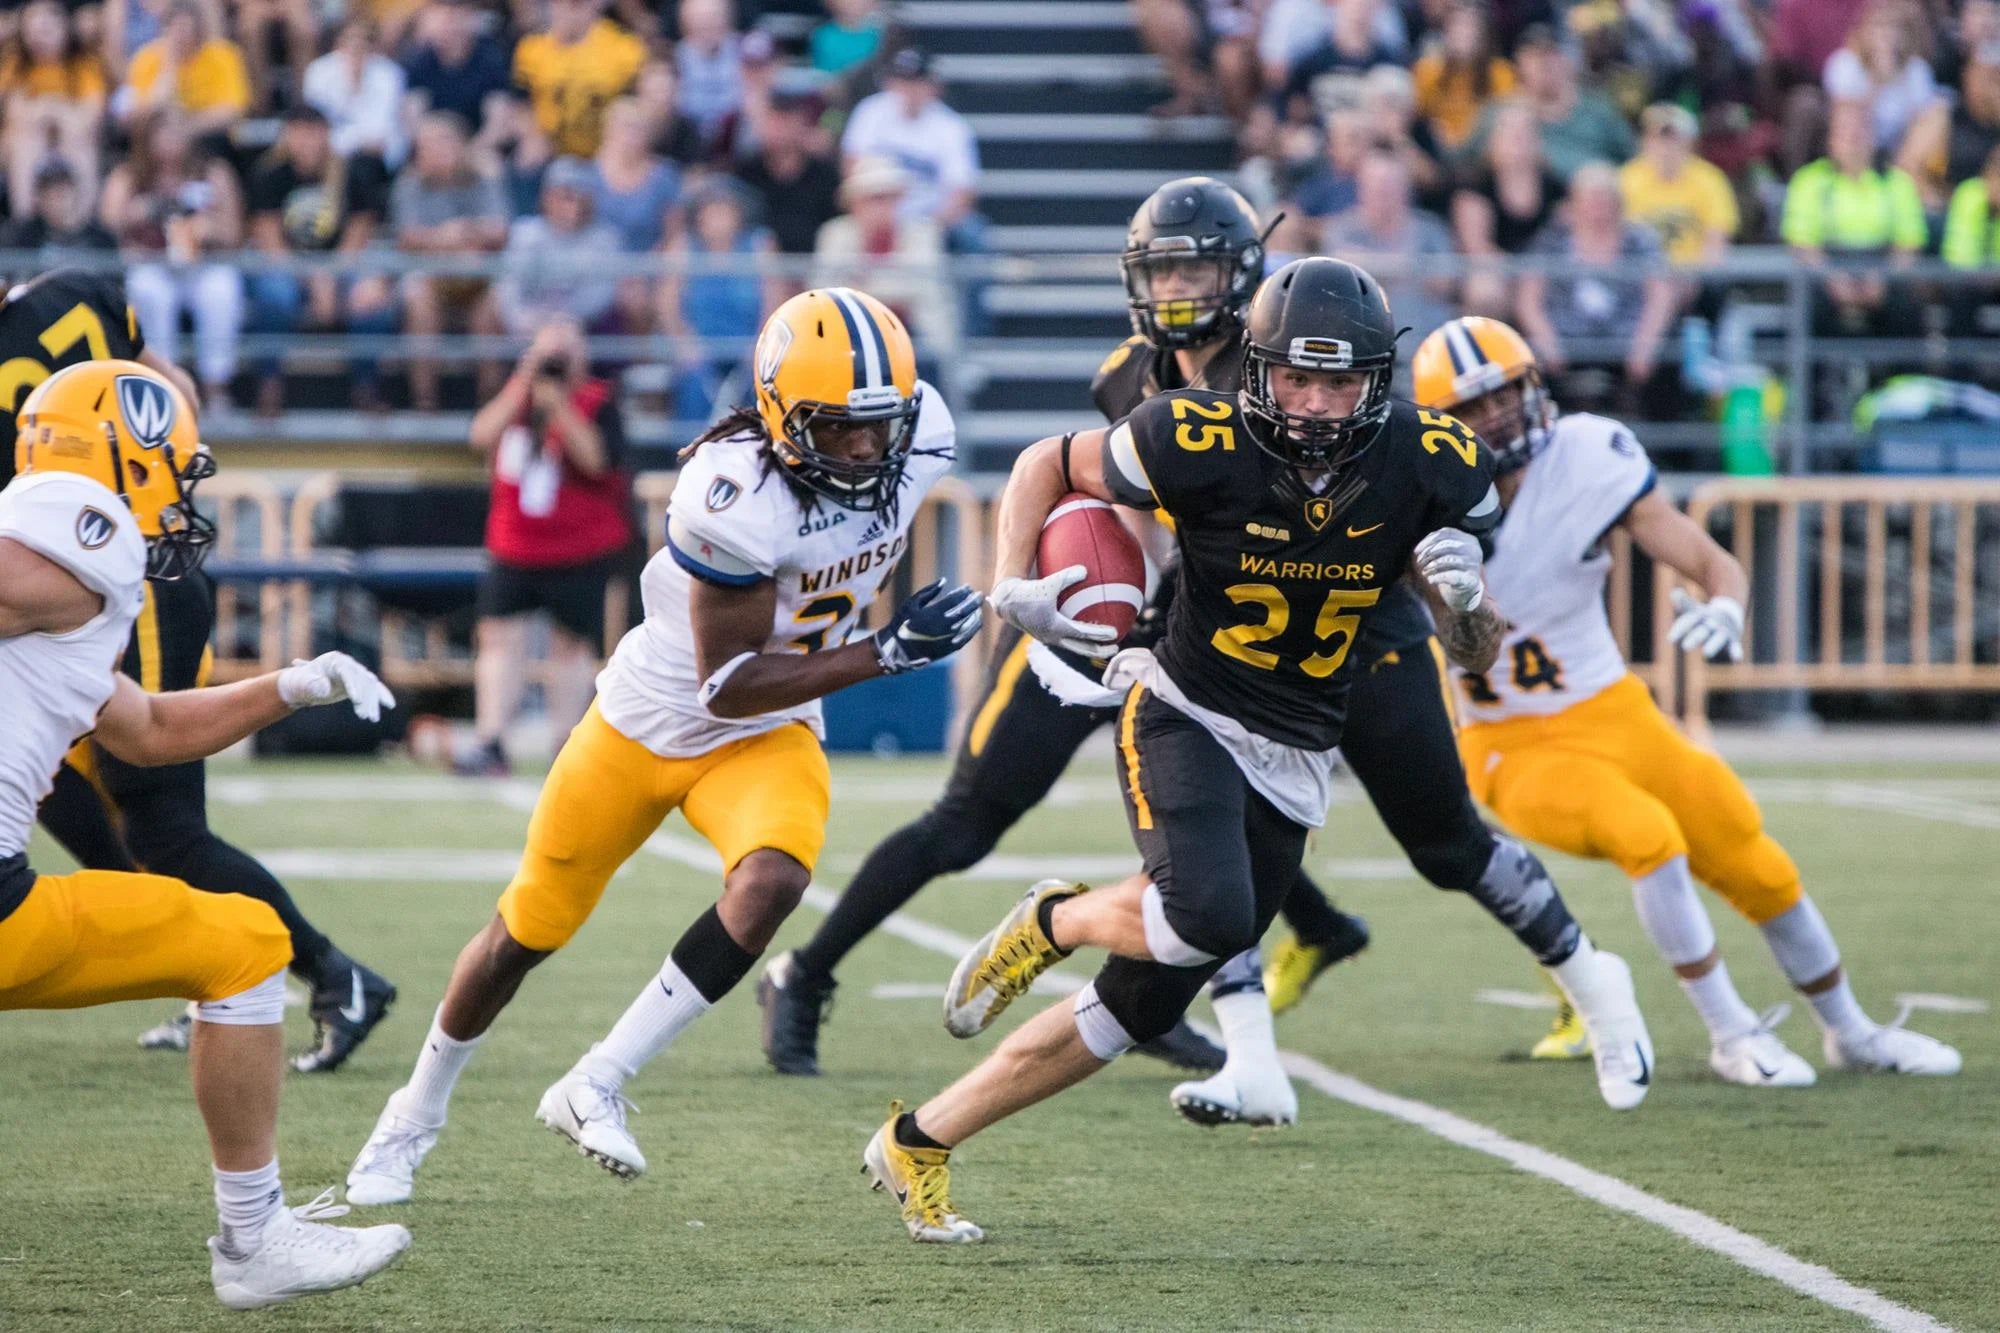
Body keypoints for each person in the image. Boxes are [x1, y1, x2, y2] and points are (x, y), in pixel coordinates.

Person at [857, 258, 1655, 1245]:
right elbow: (1044, 463)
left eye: (1339, 383)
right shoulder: (1192, 435)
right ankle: (1060, 918)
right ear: (1258, 369)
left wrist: (1460, 607)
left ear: (1377, 380)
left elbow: (1476, 651)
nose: (1316, 404)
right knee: (1211, 914)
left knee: (1134, 1011)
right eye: (1295, 379)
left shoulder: (1429, 459)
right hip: (1182, 703)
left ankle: (919, 1139)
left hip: (1299, 745)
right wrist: (1010, 582)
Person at [346, 287, 984, 1205]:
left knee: (774, 880)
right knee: (524, 931)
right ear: (781, 415)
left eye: (875, 427)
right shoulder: (734, 495)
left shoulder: (919, 435)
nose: (862, 449)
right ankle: (411, 1116)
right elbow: (725, 682)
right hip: (654, 717)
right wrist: (883, 652)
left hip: (768, 732)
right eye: (838, 429)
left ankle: (596, 1079)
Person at [1410, 315, 1962, 1087]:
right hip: (1511, 742)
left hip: (1615, 709)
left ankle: (1852, 1030)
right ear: (1440, 426)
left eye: (1506, 392)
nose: (1497, 414)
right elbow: (1471, 653)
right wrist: (1463, 601)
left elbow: (1704, 556)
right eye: (1473, 407)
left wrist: (1728, 602)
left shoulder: (1587, 454)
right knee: (1648, 836)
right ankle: (1729, 1030)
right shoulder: (1422, 500)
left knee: (1748, 850)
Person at [0, 358, 410, 1307]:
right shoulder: (80, 522)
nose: (183, 492)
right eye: (175, 465)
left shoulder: (60, 576)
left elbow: (144, 728)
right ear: (125, 451)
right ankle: (255, 1235)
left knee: (238, 938)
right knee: (247, 944)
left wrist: (290, 684)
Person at [457, 318, 632, 777]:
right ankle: (491, 739)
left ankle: (565, 746)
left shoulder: (598, 402)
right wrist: (523, 383)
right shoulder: (515, 396)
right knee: (498, 640)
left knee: (569, 647)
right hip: (514, 544)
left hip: (579, 548)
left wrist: (561, 407)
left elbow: (597, 460)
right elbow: (479, 437)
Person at [243, 107, 398, 414]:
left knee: (369, 300)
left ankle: (366, 385)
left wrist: (331, 274)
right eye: (298, 132)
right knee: (275, 295)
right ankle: (269, 383)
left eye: (313, 132)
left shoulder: (351, 173)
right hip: (286, 267)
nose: (306, 141)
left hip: (342, 264)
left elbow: (360, 232)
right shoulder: (269, 173)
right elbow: (269, 239)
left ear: (327, 134)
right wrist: (310, 278)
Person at [104, 112, 246, 408]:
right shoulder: (131, 175)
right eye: (163, 132)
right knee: (150, 292)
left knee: (221, 289)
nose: (170, 141)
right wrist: (137, 213)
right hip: (151, 263)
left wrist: (209, 228)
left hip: (201, 264)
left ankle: (216, 386)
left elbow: (235, 232)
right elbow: (106, 226)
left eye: (177, 131)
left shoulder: (212, 171)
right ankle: (163, 389)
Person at [1516, 161, 1679, 415]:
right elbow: (1529, 298)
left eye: (1606, 197)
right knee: (1526, 362)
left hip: (1626, 339)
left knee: (1670, 359)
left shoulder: (1640, 241)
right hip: (1565, 340)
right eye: (1591, 197)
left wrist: (1645, 344)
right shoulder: (1552, 240)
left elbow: (1661, 294)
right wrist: (1546, 341)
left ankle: (1664, 445)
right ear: (1574, 202)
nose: (1599, 205)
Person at [393, 111, 509, 411]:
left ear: (461, 145)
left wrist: (461, 233)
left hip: (478, 277)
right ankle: (425, 402)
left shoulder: (483, 179)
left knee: (493, 305)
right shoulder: (409, 184)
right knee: (418, 301)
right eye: (426, 145)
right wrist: (446, 238)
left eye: (442, 142)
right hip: (430, 277)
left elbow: (500, 231)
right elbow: (407, 238)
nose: (434, 151)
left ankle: (490, 402)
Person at [1780, 101, 1927, 336]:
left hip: (1882, 267)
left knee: (1907, 305)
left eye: (1859, 132)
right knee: (1809, 302)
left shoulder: (1896, 182)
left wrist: (1883, 279)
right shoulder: (1809, 180)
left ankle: (1900, 373)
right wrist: (1834, 280)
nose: (1852, 140)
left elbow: (1908, 243)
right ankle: (1813, 373)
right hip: (1826, 269)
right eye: (1844, 132)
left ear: (1872, 137)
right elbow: (1802, 243)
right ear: (1831, 139)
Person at [810, 157, 955, 350]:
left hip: (916, 342)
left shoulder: (922, 234)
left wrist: (859, 294)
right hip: (845, 339)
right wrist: (889, 300)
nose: (883, 207)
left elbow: (921, 295)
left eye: (890, 197)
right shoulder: (835, 235)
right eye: (875, 198)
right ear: (855, 203)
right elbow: (822, 296)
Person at [493, 156, 625, 335]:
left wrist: (564, 318)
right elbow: (509, 286)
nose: (573, 205)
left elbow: (601, 294)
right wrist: (521, 318)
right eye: (566, 196)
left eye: (581, 197)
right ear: (547, 197)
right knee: (489, 309)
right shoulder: (525, 232)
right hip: (529, 317)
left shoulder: (605, 237)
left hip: (581, 322)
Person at [1, 0, 106, 217]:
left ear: (64, 29)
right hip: (24, 143)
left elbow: (91, 116)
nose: (38, 38)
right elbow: (14, 114)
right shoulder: (16, 67)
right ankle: (26, 220)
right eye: (32, 32)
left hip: (70, 140)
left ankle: (79, 222)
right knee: (23, 141)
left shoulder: (83, 66)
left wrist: (49, 110)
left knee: (80, 140)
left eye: (46, 30)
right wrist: (55, 109)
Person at [512, 0, 646, 159]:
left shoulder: (625, 48)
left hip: (607, 153)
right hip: (550, 151)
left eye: (576, 4)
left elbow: (638, 107)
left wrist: (618, 143)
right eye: (560, 3)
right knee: (527, 156)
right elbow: (519, 104)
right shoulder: (531, 49)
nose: (568, 11)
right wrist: (532, 135)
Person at [1618, 102, 1739, 268]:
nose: (1665, 148)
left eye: (1673, 139)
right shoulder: (1626, 178)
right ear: (1644, 141)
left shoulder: (1710, 179)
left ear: (1689, 143)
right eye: (1658, 139)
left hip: (1694, 275)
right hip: (1640, 276)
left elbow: (1716, 241)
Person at [119, 0, 251, 143]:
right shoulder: (146, 58)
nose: (182, 36)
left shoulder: (223, 55)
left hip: (212, 139)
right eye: (175, 28)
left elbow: (232, 111)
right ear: (165, 29)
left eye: (186, 29)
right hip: (159, 143)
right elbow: (148, 113)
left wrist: (188, 127)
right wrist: (169, 67)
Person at [734, 83, 843, 256]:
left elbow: (835, 226)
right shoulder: (745, 172)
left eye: (786, 120)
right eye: (772, 120)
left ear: (802, 123)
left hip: (815, 268)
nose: (778, 129)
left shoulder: (825, 175)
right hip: (760, 271)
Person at [302, 20, 409, 170]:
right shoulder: (318, 71)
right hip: (329, 149)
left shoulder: (389, 73)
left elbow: (381, 127)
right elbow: (316, 122)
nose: (356, 46)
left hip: (376, 151)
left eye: (363, 40)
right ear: (338, 41)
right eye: (350, 39)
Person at [401, 0, 512, 135]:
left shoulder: (490, 58)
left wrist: (473, 147)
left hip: (474, 140)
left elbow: (497, 121)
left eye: (456, 16)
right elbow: (413, 120)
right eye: (444, 17)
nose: (450, 26)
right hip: (433, 139)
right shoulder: (419, 60)